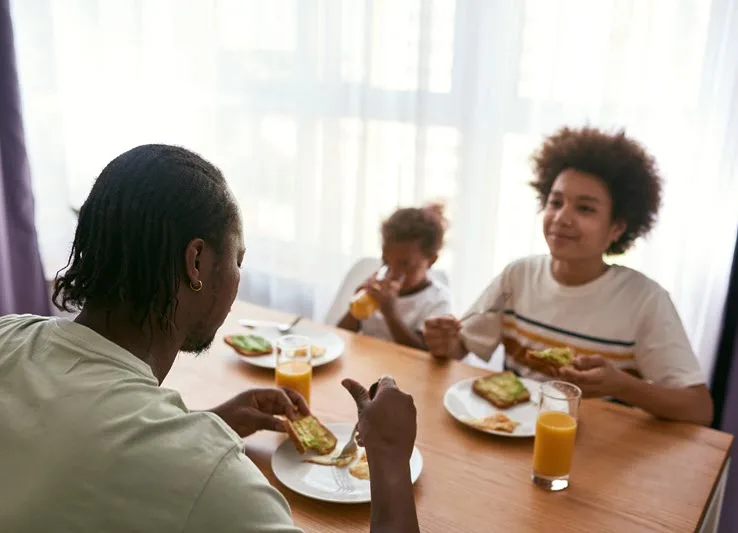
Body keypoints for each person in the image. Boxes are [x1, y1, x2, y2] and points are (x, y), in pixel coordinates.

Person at [0, 144, 420, 533]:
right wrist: (389, 457)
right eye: (238, 260)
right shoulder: (211, 480)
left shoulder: (8, 333)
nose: (238, 280)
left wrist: (208, 424)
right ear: (196, 262)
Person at [424, 127, 713, 426]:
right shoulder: (518, 276)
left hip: (603, 455)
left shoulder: (646, 300)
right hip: (512, 439)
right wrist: (442, 341)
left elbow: (699, 409)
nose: (562, 218)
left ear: (616, 228)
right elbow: (460, 347)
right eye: (556, 202)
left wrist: (622, 386)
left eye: (585, 208)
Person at [338, 204, 453, 350]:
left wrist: (390, 313)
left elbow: (423, 356)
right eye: (386, 261)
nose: (393, 273)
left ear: (431, 260)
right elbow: (339, 336)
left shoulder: (437, 301)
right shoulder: (378, 289)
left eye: (405, 264)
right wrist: (355, 311)